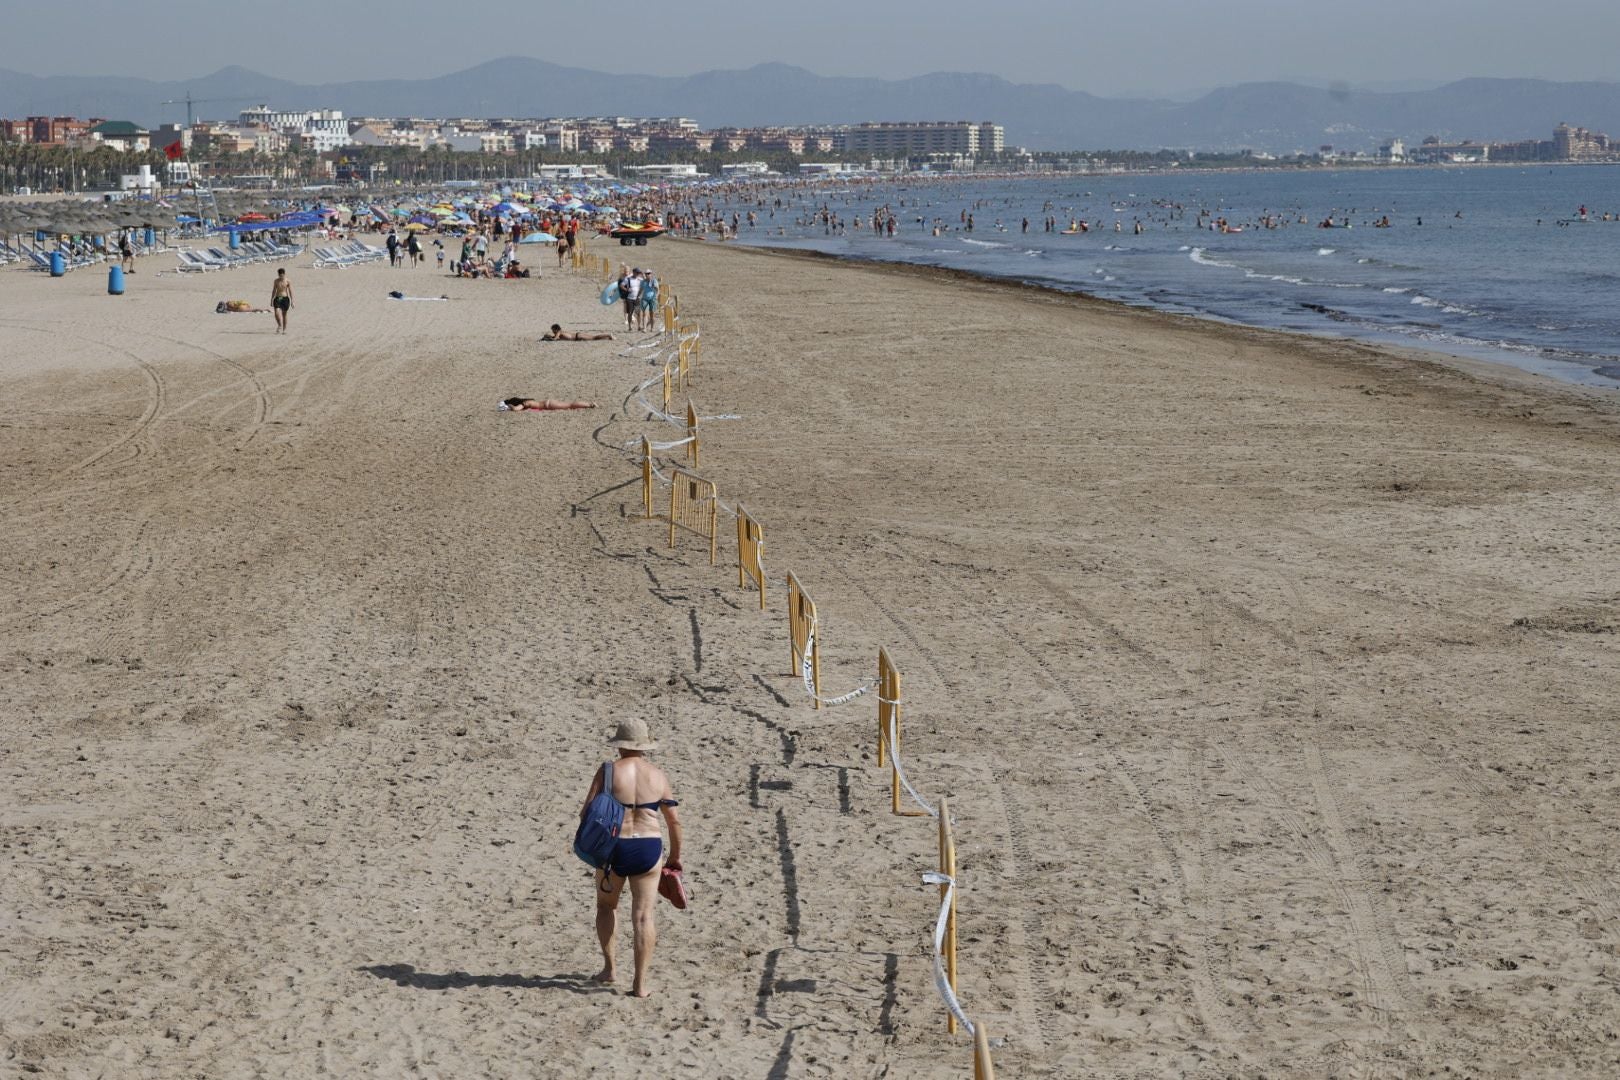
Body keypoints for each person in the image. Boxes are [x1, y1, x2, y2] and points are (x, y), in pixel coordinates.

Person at [580, 718, 682, 997]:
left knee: (606, 907)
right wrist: (674, 858)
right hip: (648, 848)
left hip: (614, 847)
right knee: (644, 917)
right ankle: (640, 985)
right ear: (645, 746)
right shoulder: (658, 775)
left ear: (620, 745)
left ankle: (609, 969)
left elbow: (586, 812)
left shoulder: (608, 771)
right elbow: (674, 822)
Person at [270, 268, 293, 334]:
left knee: (284, 314)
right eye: (280, 276)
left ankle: (284, 329)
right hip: (277, 298)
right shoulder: (276, 281)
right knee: (276, 312)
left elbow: (290, 291)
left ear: (284, 274)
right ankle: (279, 325)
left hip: (285, 298)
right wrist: (271, 299)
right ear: (278, 275)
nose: (281, 277)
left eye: (282, 276)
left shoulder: (287, 281)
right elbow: (274, 290)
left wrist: (292, 301)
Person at [500, 396, 598, 411]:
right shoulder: (528, 400)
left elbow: (516, 409)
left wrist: (509, 406)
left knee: (570, 405)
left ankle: (590, 405)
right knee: (569, 404)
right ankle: (589, 404)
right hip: (548, 402)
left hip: (548, 405)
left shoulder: (525, 403)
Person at [542, 324, 614, 341]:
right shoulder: (560, 332)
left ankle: (608, 335)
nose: (552, 331)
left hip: (578, 336)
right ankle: (608, 336)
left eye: (552, 330)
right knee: (594, 337)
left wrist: (547, 338)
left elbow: (555, 339)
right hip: (578, 335)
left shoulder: (559, 332)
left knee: (594, 338)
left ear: (555, 329)